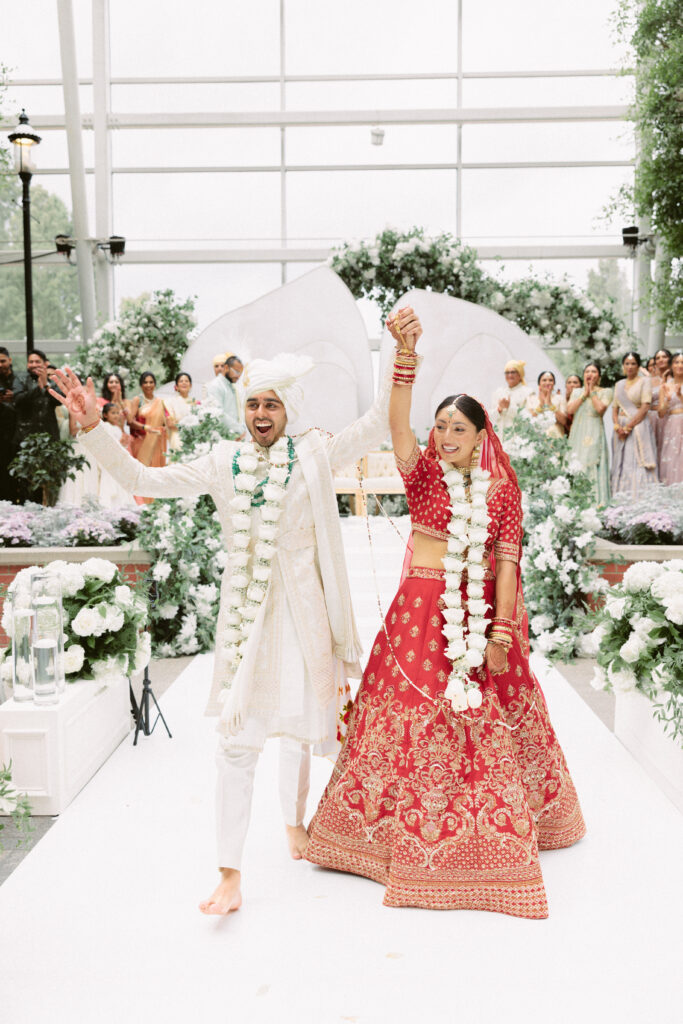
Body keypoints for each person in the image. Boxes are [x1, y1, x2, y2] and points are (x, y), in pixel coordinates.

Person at [49, 343, 395, 918]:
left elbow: (379, 422)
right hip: (247, 619)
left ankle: (294, 824)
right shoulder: (221, 462)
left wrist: (401, 355)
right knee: (238, 743)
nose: (262, 414)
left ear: (290, 411)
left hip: (309, 617)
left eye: (273, 405)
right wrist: (91, 429)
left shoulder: (316, 452)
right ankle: (229, 873)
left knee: (303, 730)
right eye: (254, 403)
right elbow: (142, 476)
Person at [305, 311, 585, 919]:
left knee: (484, 712)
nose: (446, 434)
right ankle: (382, 834)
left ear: (482, 435)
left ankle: (486, 832)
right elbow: (397, 423)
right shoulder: (424, 476)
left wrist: (502, 632)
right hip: (419, 613)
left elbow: (506, 564)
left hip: (479, 612)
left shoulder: (502, 492)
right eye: (441, 425)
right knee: (407, 715)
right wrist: (404, 355)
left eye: (458, 426)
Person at [611, 352, 659, 496]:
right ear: (623, 366)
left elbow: (645, 407)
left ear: (638, 366)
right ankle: (620, 497)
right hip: (620, 428)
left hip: (638, 426)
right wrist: (617, 426)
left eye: (633, 364)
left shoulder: (644, 381)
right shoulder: (619, 385)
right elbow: (614, 409)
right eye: (627, 363)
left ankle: (639, 497)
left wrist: (629, 427)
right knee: (622, 460)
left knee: (637, 460)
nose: (630, 367)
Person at [567, 363, 613, 506]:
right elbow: (570, 410)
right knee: (577, 462)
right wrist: (584, 394)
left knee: (592, 461)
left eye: (594, 371)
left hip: (594, 431)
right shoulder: (576, 392)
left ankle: (596, 503)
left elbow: (600, 409)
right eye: (587, 371)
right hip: (578, 433)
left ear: (599, 375)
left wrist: (592, 392)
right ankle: (576, 502)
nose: (590, 374)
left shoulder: (606, 392)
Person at [127, 372, 174, 504]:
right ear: (141, 385)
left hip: (158, 441)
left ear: (155, 384)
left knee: (156, 472)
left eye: (151, 382)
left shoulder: (161, 402)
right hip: (142, 442)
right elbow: (130, 421)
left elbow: (167, 421)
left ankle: (156, 504)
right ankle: (142, 503)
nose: (148, 385)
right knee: (142, 472)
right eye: (145, 382)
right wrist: (146, 428)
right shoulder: (137, 400)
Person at [0, 347, 26, 502]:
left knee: (18, 474)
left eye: (2, 361)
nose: (0, 365)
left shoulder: (21, 380)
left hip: (18, 435)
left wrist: (14, 398)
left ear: (10, 360)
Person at [98, 403, 135, 507]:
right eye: (113, 413)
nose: (116, 415)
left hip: (117, 459)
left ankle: (122, 505)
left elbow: (120, 445)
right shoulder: (104, 426)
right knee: (109, 482)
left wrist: (124, 444)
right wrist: (120, 444)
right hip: (110, 459)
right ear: (105, 415)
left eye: (117, 413)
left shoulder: (117, 428)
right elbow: (108, 444)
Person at [657, 352, 683, 485]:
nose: (680, 365)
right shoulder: (665, 386)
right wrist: (667, 400)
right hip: (672, 424)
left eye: (682, 362)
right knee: (673, 457)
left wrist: (680, 396)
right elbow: (661, 414)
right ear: (671, 366)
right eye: (676, 362)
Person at [205, 353, 244, 436]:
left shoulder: (232, 386)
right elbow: (218, 413)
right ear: (226, 368)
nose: (238, 376)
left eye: (240, 373)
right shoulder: (215, 385)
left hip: (236, 435)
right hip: (223, 436)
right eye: (236, 371)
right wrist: (239, 429)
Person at [491, 360, 532, 435]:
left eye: (513, 372)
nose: (510, 375)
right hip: (500, 436)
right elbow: (491, 418)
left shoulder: (528, 393)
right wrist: (499, 409)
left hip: (519, 437)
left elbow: (528, 418)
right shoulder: (499, 392)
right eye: (507, 372)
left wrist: (509, 407)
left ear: (520, 375)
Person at [524, 370, 568, 438]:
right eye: (544, 380)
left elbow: (564, 421)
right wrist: (541, 405)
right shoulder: (531, 399)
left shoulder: (560, 398)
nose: (547, 383)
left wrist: (550, 404)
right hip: (537, 437)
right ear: (539, 384)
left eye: (550, 380)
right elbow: (529, 420)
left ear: (554, 384)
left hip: (556, 437)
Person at [164, 372, 198, 452]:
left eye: (186, 381)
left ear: (191, 385)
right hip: (177, 437)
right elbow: (170, 424)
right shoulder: (170, 403)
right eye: (181, 381)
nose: (184, 383)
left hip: (194, 437)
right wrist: (186, 428)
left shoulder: (196, 403)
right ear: (176, 386)